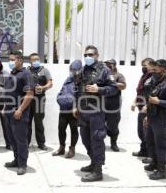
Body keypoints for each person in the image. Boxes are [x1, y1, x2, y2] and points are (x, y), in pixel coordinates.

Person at [74, 45, 118, 182]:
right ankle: (93, 162)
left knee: (97, 140)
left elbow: (114, 89)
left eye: (91, 55)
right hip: (83, 111)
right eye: (86, 55)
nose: (88, 57)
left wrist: (98, 89)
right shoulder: (81, 70)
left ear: (97, 55)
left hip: (96, 112)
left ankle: (98, 171)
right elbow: (76, 90)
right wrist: (75, 106)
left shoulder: (105, 71)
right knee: (86, 139)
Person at [143, 59, 166, 180]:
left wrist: (159, 102)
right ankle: (154, 162)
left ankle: (162, 170)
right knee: (150, 141)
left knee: (161, 144)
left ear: (164, 70)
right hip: (152, 117)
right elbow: (149, 101)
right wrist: (147, 116)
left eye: (155, 69)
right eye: (152, 69)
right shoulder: (155, 83)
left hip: (162, 119)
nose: (152, 72)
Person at [3, 51, 33, 175]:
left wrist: (20, 109)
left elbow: (30, 95)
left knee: (21, 139)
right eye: (9, 59)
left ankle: (22, 164)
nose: (10, 62)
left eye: (12, 59)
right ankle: (16, 160)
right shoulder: (12, 73)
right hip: (9, 112)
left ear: (20, 60)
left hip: (19, 112)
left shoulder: (25, 74)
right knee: (12, 138)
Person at [52, 60, 81, 158]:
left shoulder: (81, 80)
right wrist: (59, 97)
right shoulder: (68, 79)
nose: (71, 71)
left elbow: (81, 96)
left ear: (79, 70)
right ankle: (61, 148)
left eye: (74, 69)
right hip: (63, 109)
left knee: (73, 130)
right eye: (71, 69)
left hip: (73, 111)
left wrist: (76, 107)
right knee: (61, 129)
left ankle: (72, 149)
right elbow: (62, 90)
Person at [27, 53, 53, 150]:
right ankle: (26, 143)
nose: (36, 61)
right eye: (34, 60)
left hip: (39, 99)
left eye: (37, 59)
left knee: (39, 122)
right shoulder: (26, 71)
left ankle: (41, 143)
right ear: (30, 61)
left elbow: (50, 83)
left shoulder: (44, 70)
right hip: (28, 99)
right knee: (27, 122)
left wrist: (43, 88)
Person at [131, 58, 155, 158]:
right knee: (141, 132)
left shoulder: (154, 78)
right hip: (141, 108)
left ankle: (151, 155)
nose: (143, 67)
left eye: (145, 65)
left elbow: (153, 94)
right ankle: (143, 150)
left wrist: (146, 106)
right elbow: (139, 91)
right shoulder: (144, 77)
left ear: (152, 65)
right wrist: (134, 102)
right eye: (142, 65)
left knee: (148, 133)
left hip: (148, 108)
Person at [104, 59, 126, 152]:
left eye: (110, 65)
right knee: (99, 124)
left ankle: (114, 143)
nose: (108, 66)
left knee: (113, 126)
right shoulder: (103, 75)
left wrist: (113, 83)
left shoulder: (119, 75)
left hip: (114, 105)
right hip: (101, 104)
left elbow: (123, 86)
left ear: (114, 65)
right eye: (106, 65)